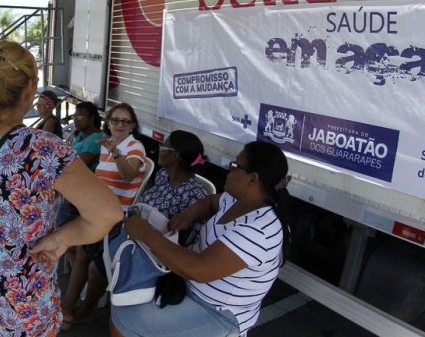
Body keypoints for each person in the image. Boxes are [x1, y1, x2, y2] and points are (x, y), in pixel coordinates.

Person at [0, 40, 122, 337]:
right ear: (29, 89)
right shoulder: (43, 149)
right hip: (26, 295)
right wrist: (61, 239)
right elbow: (107, 213)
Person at [110, 141, 292, 337]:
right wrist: (188, 216)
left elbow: (199, 269)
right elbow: (211, 202)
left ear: (253, 179)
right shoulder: (239, 200)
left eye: (235, 165)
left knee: (124, 319)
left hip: (217, 311)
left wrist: (146, 233)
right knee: (126, 299)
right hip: (191, 285)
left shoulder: (259, 230)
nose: (228, 170)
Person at [61, 102, 147, 328]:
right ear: (108, 122)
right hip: (98, 212)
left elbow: (128, 175)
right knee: (81, 253)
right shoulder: (107, 144)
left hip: (117, 218)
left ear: (133, 126)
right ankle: (67, 308)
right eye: (115, 120)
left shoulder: (134, 147)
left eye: (126, 121)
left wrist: (116, 152)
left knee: (93, 266)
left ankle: (85, 310)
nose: (120, 125)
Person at [140, 130, 210, 239]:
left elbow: (191, 239)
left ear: (175, 155)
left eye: (163, 146)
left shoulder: (195, 196)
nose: (160, 149)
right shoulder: (162, 174)